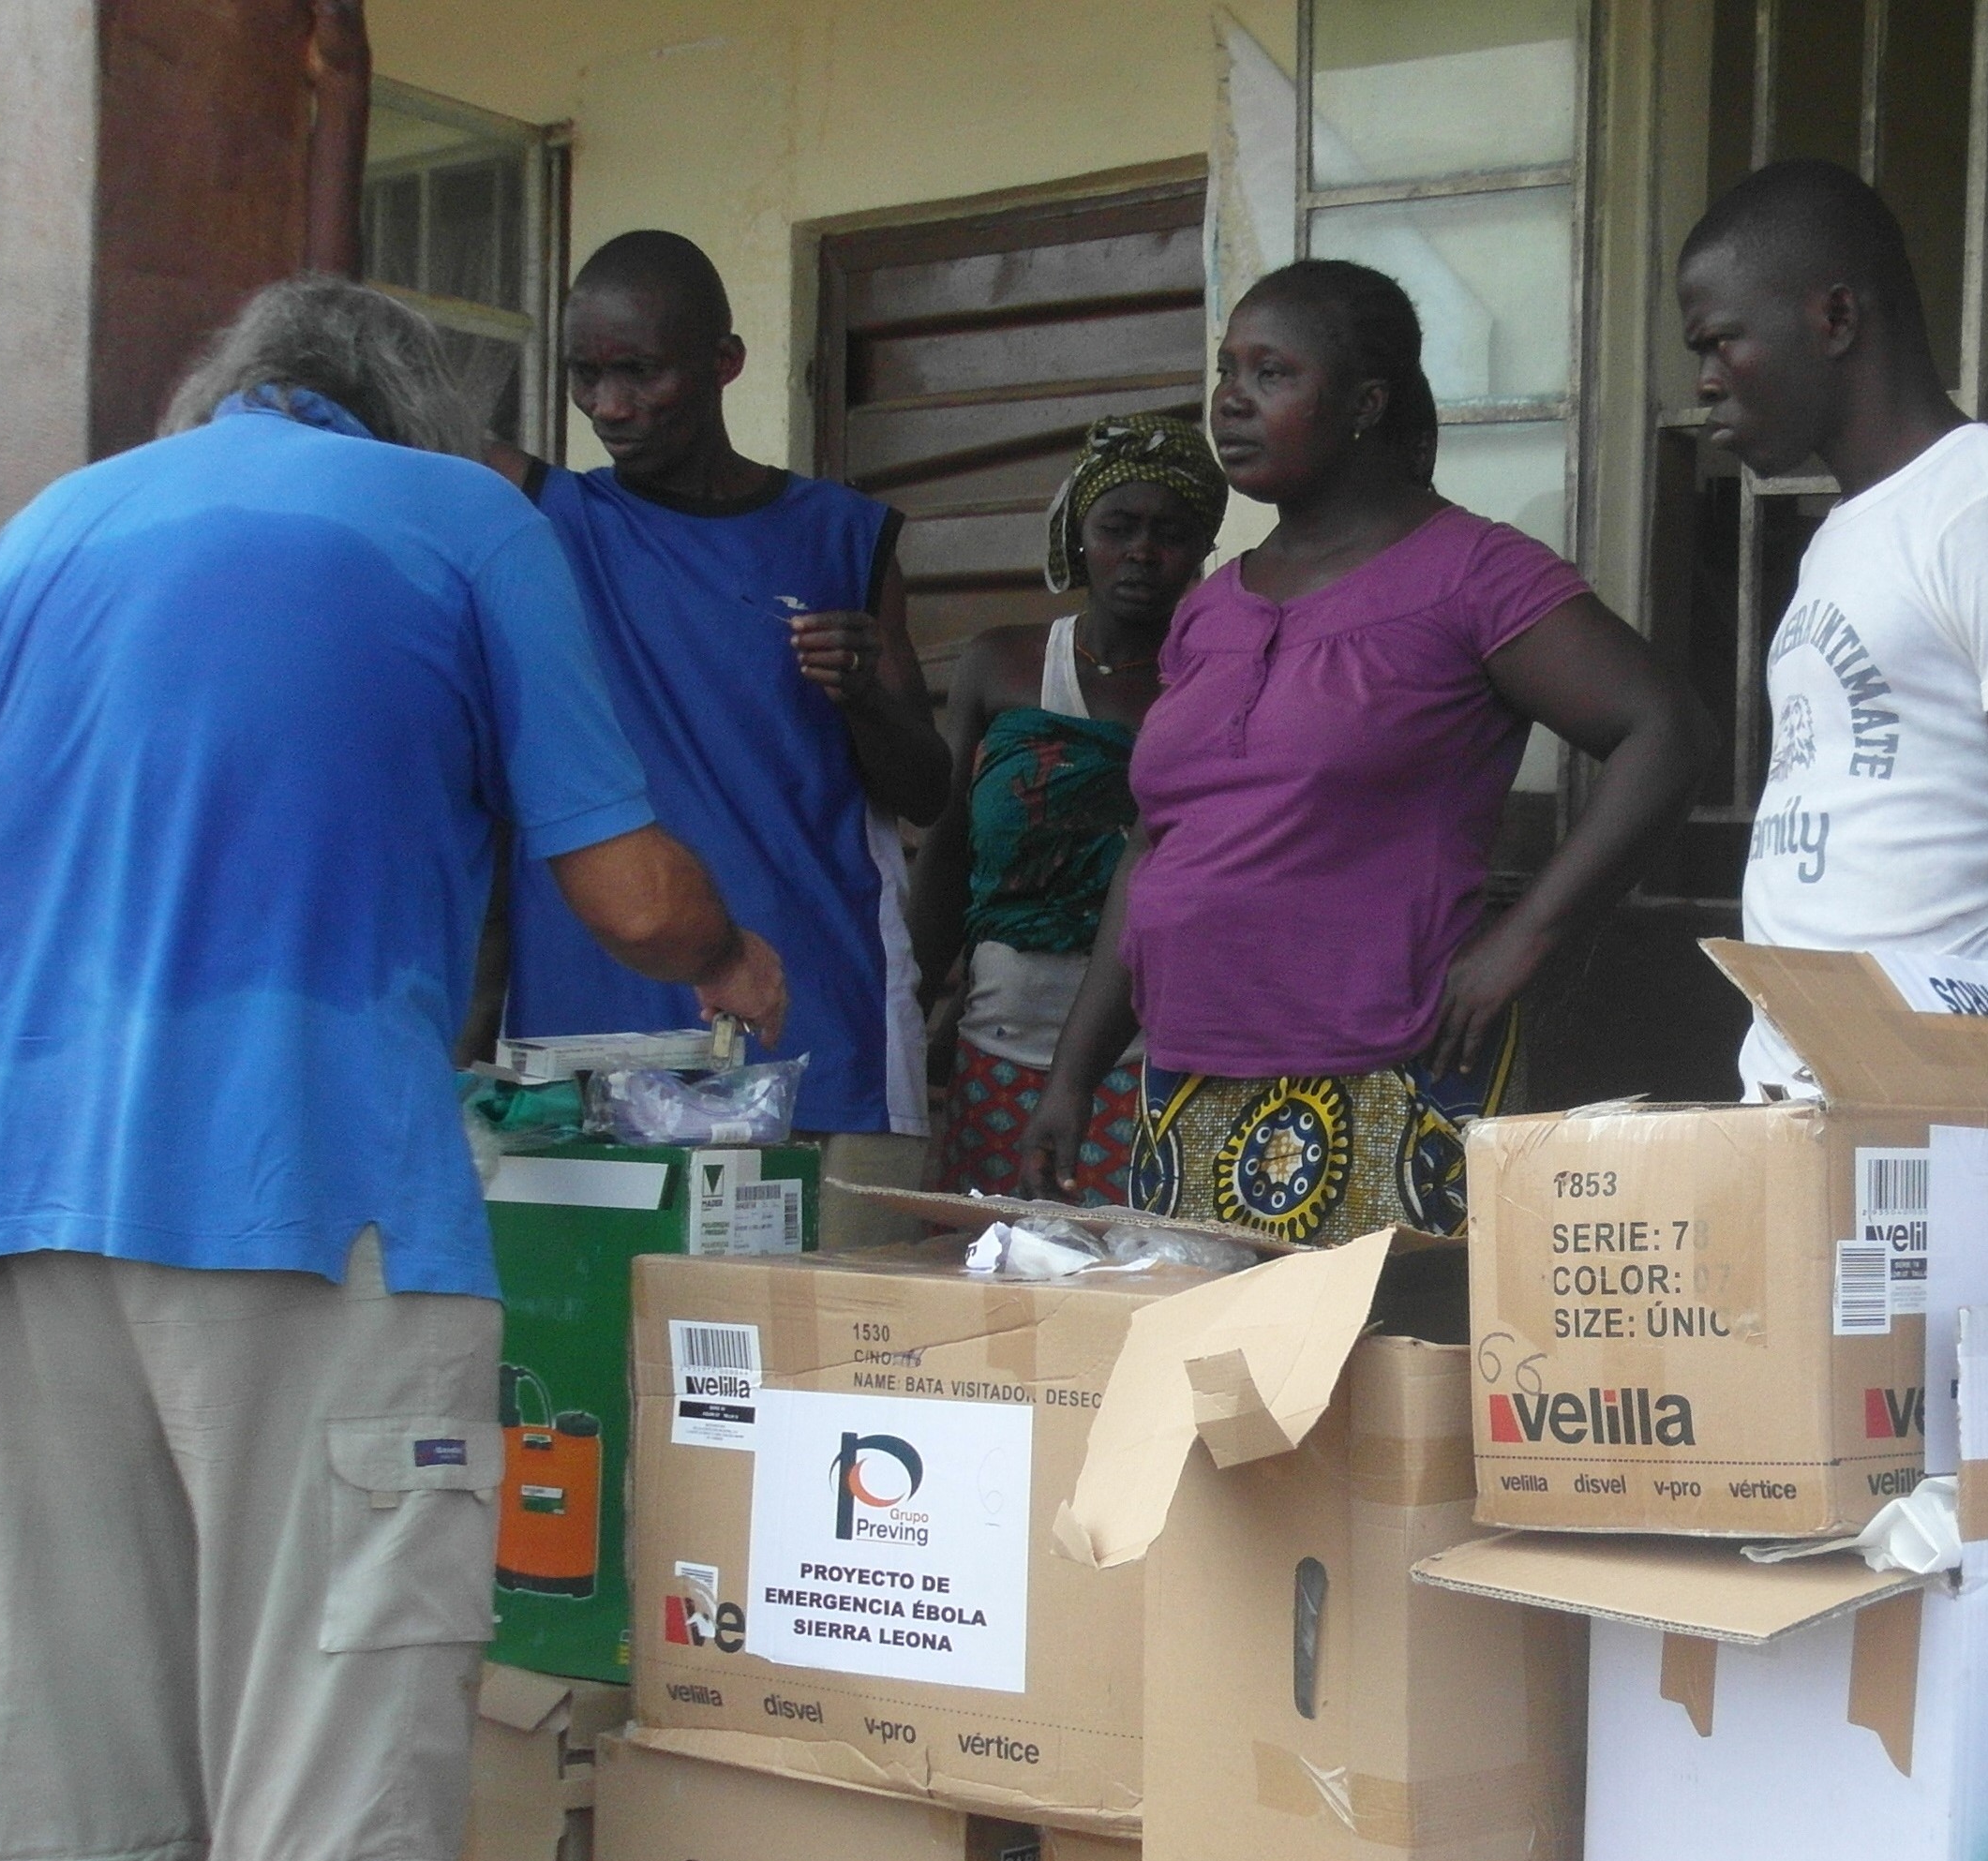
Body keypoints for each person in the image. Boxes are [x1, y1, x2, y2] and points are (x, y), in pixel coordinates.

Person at [0, 276, 785, 1861]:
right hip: (314, 1192)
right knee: (330, 1707)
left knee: (69, 1700)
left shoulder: (45, 533)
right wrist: (746, 963)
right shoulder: (465, 519)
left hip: (30, 1196)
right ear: (421, 415)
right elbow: (627, 893)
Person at [1023, 261, 1709, 1242]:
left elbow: (1664, 730)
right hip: (1190, 1081)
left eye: (1271, 373)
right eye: (1226, 371)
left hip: (1392, 1075)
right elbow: (1154, 846)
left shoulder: (1471, 573)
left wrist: (1524, 940)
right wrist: (1074, 1071)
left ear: (1364, 404)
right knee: (1207, 1345)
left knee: (1385, 1341)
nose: (1231, 400)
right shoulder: (1210, 608)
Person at [490, 231, 948, 1239]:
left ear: (724, 362)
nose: (609, 406)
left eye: (639, 371)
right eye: (585, 375)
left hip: (816, 1033)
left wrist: (865, 690)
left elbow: (926, 788)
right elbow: (368, 396)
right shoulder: (546, 518)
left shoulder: (842, 535)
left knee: (827, 1326)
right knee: (592, 1333)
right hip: (590, 1043)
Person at [1677, 159, 1988, 1094]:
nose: (1704, 383)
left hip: (1934, 1086)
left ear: (1835, 318)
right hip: (1807, 1082)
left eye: (1721, 341)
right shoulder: (1847, 534)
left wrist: (1936, 1007)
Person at [909, 414, 1225, 1200]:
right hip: (997, 1043)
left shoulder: (1215, 683)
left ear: (1202, 550)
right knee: (988, 1262)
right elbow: (947, 849)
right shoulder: (1003, 664)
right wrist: (909, 1009)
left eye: (1172, 534)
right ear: (1079, 533)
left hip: (1161, 1061)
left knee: (1137, 1265)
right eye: (1118, 527)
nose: (1142, 552)